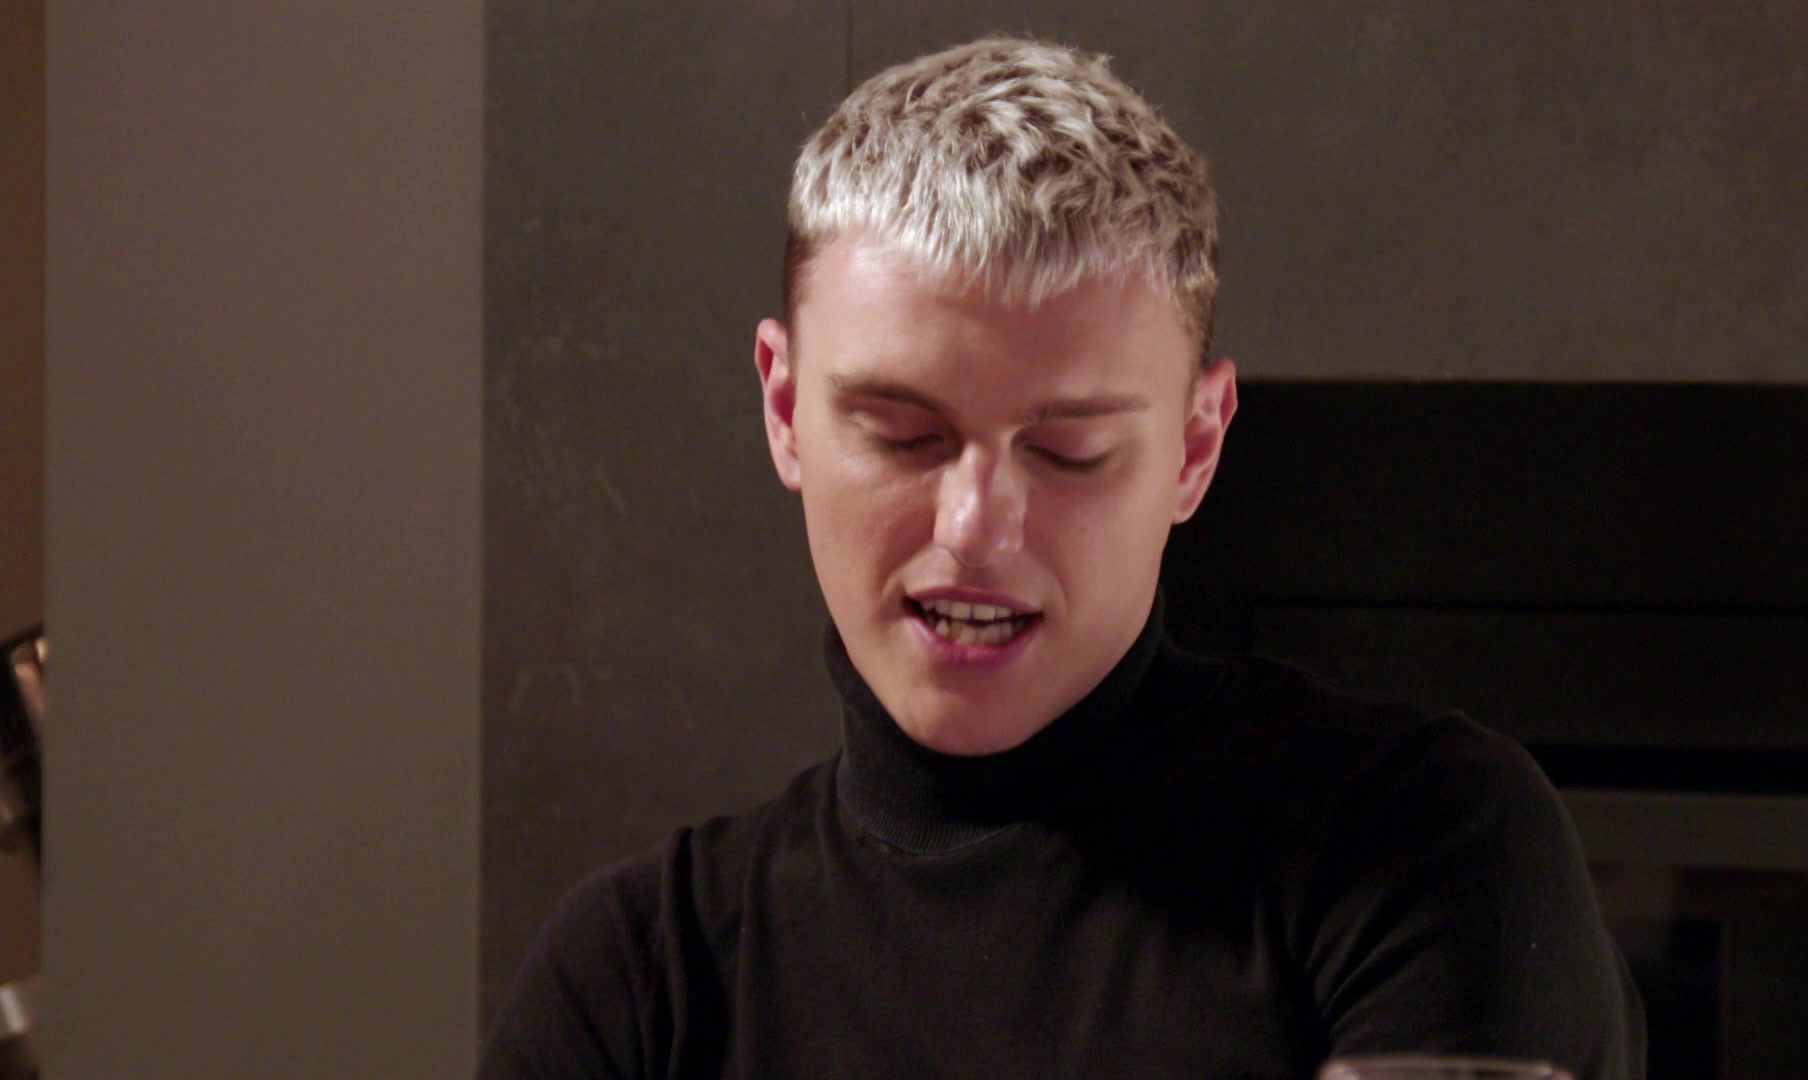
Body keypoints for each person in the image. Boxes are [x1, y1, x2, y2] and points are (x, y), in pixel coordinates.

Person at [479, 37, 1645, 1079]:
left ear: (1196, 446)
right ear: (785, 409)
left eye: (1069, 451)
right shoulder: (637, 980)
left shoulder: (1422, 844)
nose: (976, 529)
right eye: (903, 436)